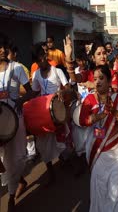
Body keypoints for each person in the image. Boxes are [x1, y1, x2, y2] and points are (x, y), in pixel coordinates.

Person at [79, 65, 118, 212]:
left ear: (109, 79)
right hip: (98, 154)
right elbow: (82, 120)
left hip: (117, 154)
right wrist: (99, 116)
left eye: (101, 78)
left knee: (116, 191)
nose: (97, 82)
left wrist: (112, 110)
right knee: (99, 190)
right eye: (95, 78)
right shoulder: (89, 99)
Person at [0, 33, 33, 211]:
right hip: (0, 124)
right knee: (5, 161)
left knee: (19, 158)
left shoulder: (17, 68)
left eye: (4, 46)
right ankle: (13, 190)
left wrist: (21, 100)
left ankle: (15, 187)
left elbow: (31, 91)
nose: (2, 50)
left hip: (16, 119)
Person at [31, 43, 70, 185]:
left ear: (45, 57)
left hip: (58, 112)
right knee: (42, 145)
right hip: (43, 113)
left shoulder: (57, 71)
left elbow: (68, 88)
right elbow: (35, 91)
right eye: (37, 61)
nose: (40, 62)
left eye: (41, 58)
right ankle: (51, 172)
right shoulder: (36, 74)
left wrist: (62, 92)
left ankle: (65, 163)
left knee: (60, 142)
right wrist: (21, 100)